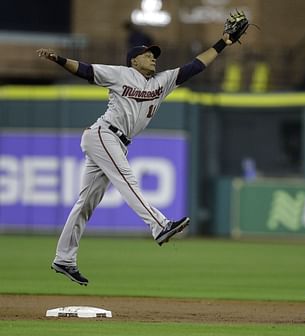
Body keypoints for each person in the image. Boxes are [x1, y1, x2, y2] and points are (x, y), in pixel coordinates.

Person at [36, 27, 238, 286]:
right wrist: (59, 60)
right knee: (127, 180)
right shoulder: (122, 74)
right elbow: (86, 70)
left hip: (116, 142)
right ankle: (159, 225)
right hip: (104, 134)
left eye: (154, 54)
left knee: (85, 203)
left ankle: (64, 259)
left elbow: (196, 66)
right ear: (134, 60)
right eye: (147, 54)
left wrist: (222, 43)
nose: (153, 57)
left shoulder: (162, 82)